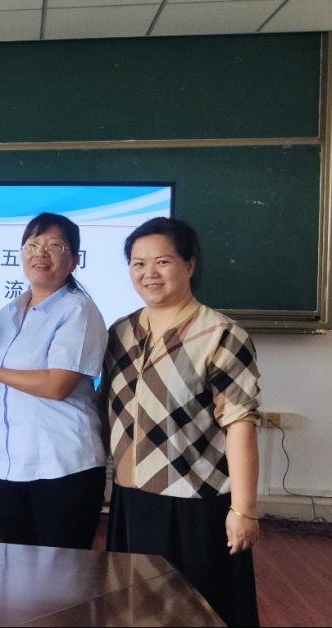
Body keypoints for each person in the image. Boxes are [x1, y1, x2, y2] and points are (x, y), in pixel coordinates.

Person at [101, 217, 260, 626]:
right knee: (132, 610)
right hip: (133, 498)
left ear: (190, 265)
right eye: (138, 264)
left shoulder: (221, 334)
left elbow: (240, 423)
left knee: (194, 613)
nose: (149, 273)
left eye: (163, 262)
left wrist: (244, 510)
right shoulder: (120, 333)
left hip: (195, 503)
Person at [0, 213, 108, 550]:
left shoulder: (79, 310)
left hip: (62, 466)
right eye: (33, 245)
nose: (41, 253)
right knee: (17, 567)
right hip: (6, 464)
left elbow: (57, 385)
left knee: (62, 571)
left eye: (55, 246)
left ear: (74, 260)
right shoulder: (10, 311)